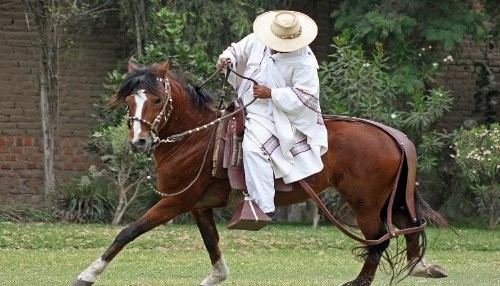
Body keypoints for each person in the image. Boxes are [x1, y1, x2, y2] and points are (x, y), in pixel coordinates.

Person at [216, 10, 328, 216]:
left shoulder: (305, 62)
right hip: (245, 105)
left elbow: (307, 97)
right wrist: (227, 59)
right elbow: (236, 51)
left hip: (277, 115)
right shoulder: (259, 39)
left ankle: (263, 205)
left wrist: (272, 94)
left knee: (252, 148)